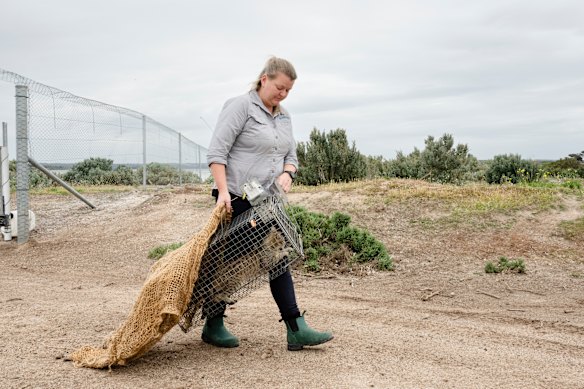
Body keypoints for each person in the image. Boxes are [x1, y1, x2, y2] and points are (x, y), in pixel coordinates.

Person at [205, 56, 333, 351]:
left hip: (267, 203)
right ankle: (213, 324)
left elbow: (292, 156)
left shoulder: (284, 116)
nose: (283, 94)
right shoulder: (240, 106)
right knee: (227, 261)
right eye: (279, 87)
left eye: (288, 90)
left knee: (277, 257)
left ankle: (295, 327)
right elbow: (216, 153)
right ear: (264, 79)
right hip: (235, 200)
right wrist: (223, 192)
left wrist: (288, 173)